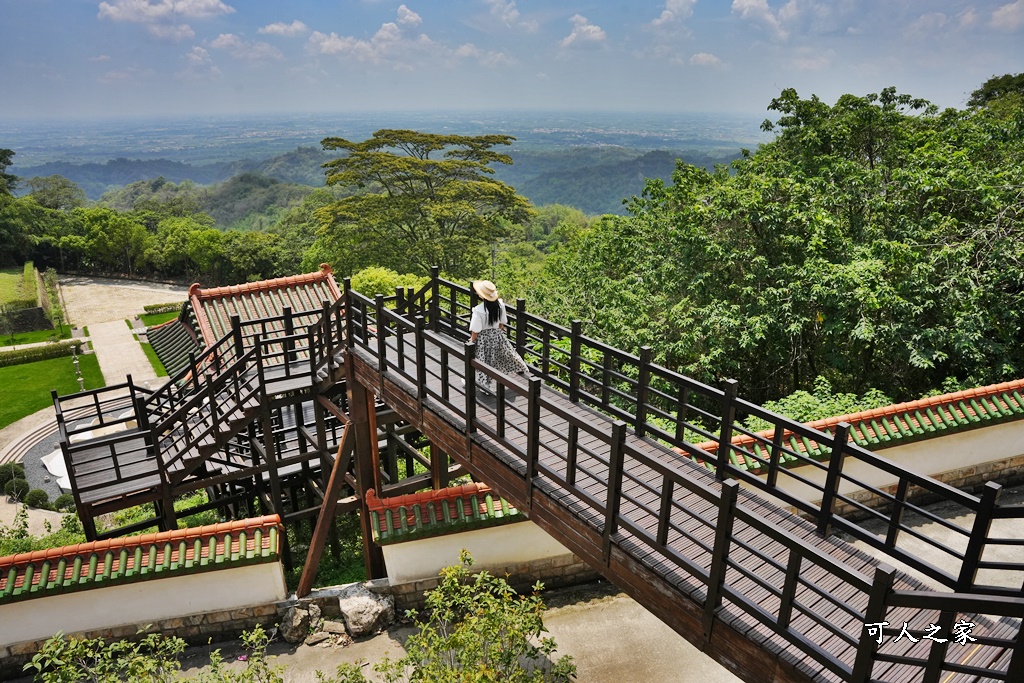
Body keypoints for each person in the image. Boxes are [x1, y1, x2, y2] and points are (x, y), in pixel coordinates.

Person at [468, 280, 530, 392]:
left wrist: (472, 341)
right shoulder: (500, 305)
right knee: (507, 354)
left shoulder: (478, 310)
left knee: (484, 360)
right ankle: (521, 368)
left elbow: (475, 330)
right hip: (497, 334)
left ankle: (484, 385)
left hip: (483, 337)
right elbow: (503, 321)